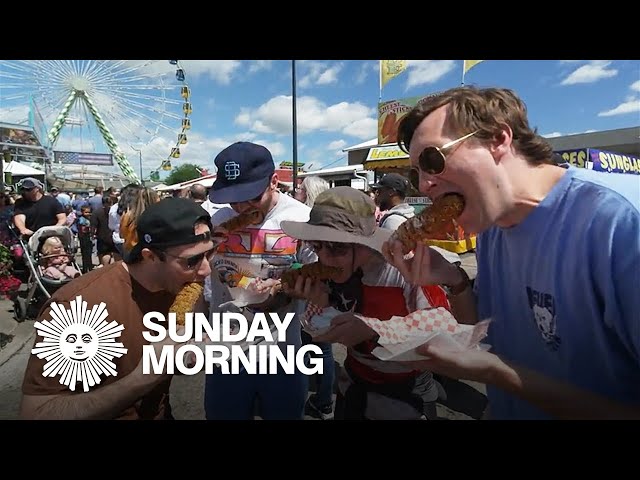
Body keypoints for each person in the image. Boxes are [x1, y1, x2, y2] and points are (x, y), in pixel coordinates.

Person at [383, 85, 640, 420]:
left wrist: (496, 374)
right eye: (415, 172)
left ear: (498, 140)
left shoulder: (620, 223)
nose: (424, 184)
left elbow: (495, 365)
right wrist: (454, 280)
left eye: (433, 159)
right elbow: (485, 336)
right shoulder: (492, 226)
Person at [20, 197, 214, 420]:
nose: (206, 270)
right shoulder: (78, 308)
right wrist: (144, 376)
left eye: (209, 253)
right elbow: (36, 413)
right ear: (150, 256)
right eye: (192, 261)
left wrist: (186, 356)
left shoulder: (179, 285)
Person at [281, 187, 458, 420]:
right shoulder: (332, 273)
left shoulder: (405, 269)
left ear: (363, 242)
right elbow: (322, 326)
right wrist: (320, 302)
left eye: (337, 247)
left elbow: (446, 333)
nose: (324, 257)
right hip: (352, 386)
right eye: (317, 245)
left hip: (405, 394)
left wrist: (374, 331)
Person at [204, 141, 314, 420]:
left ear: (274, 182)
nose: (240, 206)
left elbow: (316, 278)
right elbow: (199, 280)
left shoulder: (303, 219)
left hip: (282, 352)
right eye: (232, 197)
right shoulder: (212, 220)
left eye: (251, 197)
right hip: (225, 353)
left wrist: (284, 292)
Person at [294, 176, 335, 420]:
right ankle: (325, 401)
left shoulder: (309, 222)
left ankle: (318, 401)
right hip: (327, 291)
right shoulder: (328, 220)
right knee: (323, 348)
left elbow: (311, 264)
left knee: (311, 347)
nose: (297, 190)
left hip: (311, 293)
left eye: (301, 188)